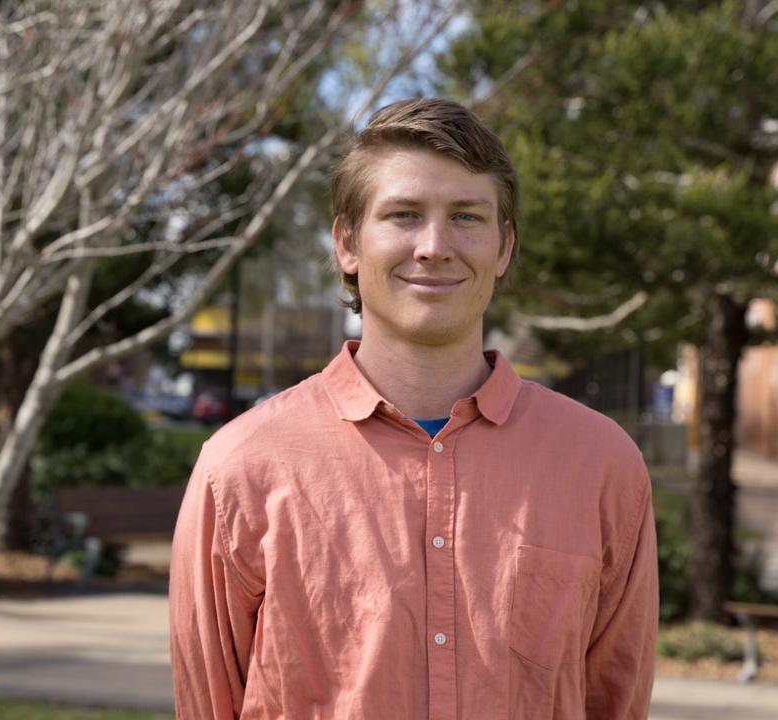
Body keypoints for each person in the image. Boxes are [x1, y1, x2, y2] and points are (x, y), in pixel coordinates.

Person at [169, 98, 658, 719]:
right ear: (348, 243)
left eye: (467, 217)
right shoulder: (239, 469)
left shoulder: (600, 465)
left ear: (504, 247)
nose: (434, 245)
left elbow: (615, 700)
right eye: (404, 215)